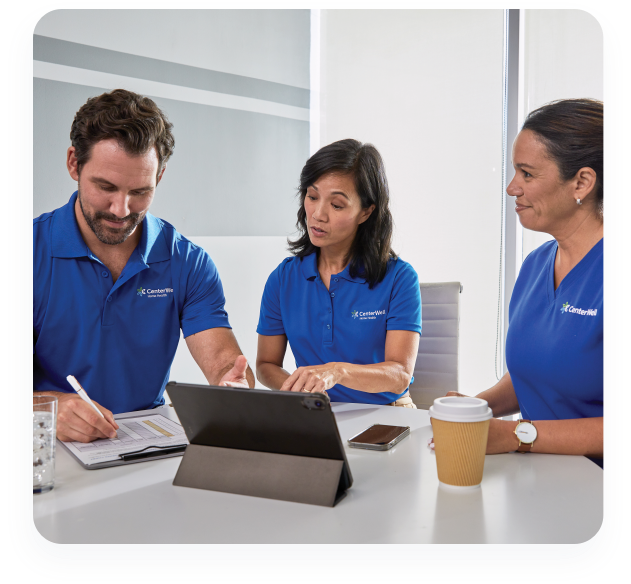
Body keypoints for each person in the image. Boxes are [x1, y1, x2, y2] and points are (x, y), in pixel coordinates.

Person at [33, 89, 254, 443]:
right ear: (74, 163)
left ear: (160, 176)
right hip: (44, 446)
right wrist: (45, 409)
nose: (121, 209)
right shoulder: (21, 255)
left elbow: (224, 362)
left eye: (140, 191)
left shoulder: (188, 262)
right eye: (105, 187)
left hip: (147, 442)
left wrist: (233, 386)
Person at [441, 99, 604, 466]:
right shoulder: (536, 265)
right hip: (536, 478)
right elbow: (534, 374)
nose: (512, 188)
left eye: (527, 174)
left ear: (581, 182)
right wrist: (478, 408)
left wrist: (518, 435)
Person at [256, 139, 422, 406]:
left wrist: (338, 371)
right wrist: (298, 391)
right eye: (312, 197)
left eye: (336, 205)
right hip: (315, 413)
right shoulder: (282, 279)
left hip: (388, 412)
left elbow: (400, 374)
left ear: (366, 212)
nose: (318, 214)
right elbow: (266, 364)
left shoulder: (399, 278)